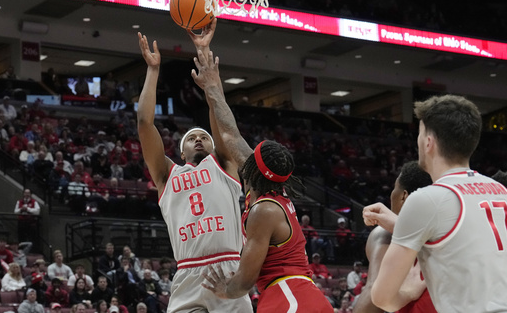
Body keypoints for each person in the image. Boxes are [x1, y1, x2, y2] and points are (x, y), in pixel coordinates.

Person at [137, 21, 252, 312]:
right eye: (192, 138)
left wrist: (205, 53)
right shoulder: (166, 175)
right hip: (188, 273)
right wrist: (152, 71)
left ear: (214, 146)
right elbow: (143, 123)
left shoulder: (224, 165)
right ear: (181, 149)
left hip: (228, 268)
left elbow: (221, 116)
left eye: (204, 137)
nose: (199, 139)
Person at [363, 95, 507, 312]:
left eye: (420, 134)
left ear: (428, 143)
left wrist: (408, 293)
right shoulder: (499, 190)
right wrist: (400, 223)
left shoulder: (426, 199)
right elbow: (460, 232)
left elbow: (382, 298)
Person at [201, 140, 334, 312]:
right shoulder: (275, 195)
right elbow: (229, 135)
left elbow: (244, 283)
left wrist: (225, 290)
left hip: (288, 297)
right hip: (306, 295)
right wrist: (214, 110)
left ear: (253, 170)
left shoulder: (263, 211)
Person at [354, 161, 436, 313]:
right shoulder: (445, 232)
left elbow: (373, 294)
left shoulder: (385, 234)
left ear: (404, 196)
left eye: (394, 189)